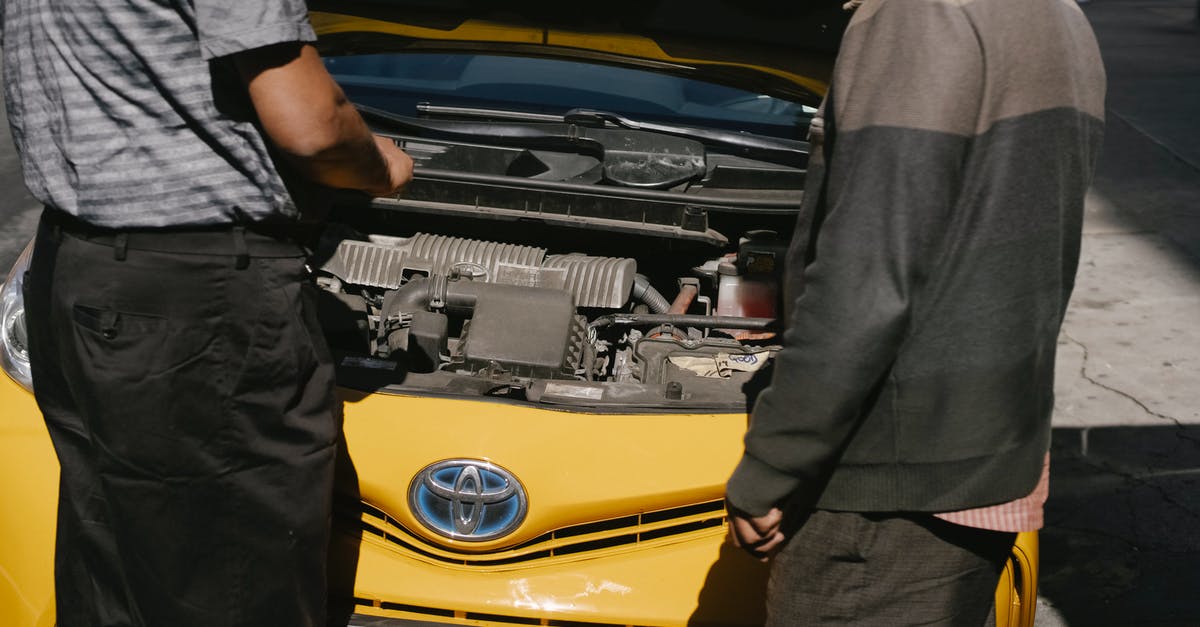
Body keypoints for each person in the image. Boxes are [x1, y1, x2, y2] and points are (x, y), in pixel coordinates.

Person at [1, 1, 411, 625]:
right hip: (195, 286)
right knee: (233, 579)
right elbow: (313, 126)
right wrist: (381, 165)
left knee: (113, 563)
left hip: (77, 267)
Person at [725, 0, 1105, 624]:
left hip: (889, 488)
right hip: (981, 451)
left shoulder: (919, 15)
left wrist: (771, 465)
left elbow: (867, 280)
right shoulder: (1060, 16)